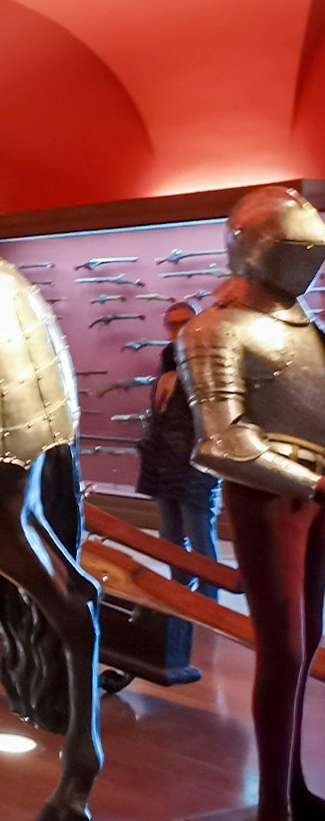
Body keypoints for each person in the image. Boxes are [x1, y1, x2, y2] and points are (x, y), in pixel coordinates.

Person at [179, 186, 325, 821]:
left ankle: (292, 789)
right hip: (271, 496)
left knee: (307, 643)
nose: (305, 265)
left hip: (313, 494)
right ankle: (271, 803)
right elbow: (223, 443)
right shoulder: (213, 329)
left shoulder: (308, 329)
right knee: (284, 649)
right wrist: (311, 484)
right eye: (294, 251)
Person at [135, 301, 222, 598]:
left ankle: (210, 604)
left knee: (199, 537)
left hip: (196, 462)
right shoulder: (169, 359)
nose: (178, 329)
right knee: (170, 537)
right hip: (164, 460)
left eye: (184, 322)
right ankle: (181, 596)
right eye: (172, 324)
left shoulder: (208, 359)